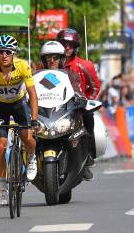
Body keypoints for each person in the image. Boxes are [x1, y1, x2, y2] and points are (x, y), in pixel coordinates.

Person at [0, 35, 39, 206]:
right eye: (1, 51)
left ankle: (31, 158)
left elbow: (33, 94)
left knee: (27, 138)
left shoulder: (22, 66)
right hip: (0, 106)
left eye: (8, 52)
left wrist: (34, 119)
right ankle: (2, 187)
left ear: (13, 53)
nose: (4, 55)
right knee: (0, 146)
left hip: (19, 104)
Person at [39, 40, 95, 181]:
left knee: (85, 120)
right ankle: (26, 163)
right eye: (48, 57)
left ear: (62, 59)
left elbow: (77, 89)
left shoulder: (70, 74)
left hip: (64, 111)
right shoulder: (36, 74)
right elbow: (29, 90)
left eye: (56, 57)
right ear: (43, 59)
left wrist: (81, 97)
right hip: (43, 112)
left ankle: (86, 158)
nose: (52, 60)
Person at [56, 29, 101, 100]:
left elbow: (95, 88)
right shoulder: (49, 64)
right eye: (64, 44)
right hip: (54, 106)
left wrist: (86, 102)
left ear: (75, 46)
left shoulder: (85, 65)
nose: (67, 47)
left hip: (77, 107)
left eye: (71, 44)